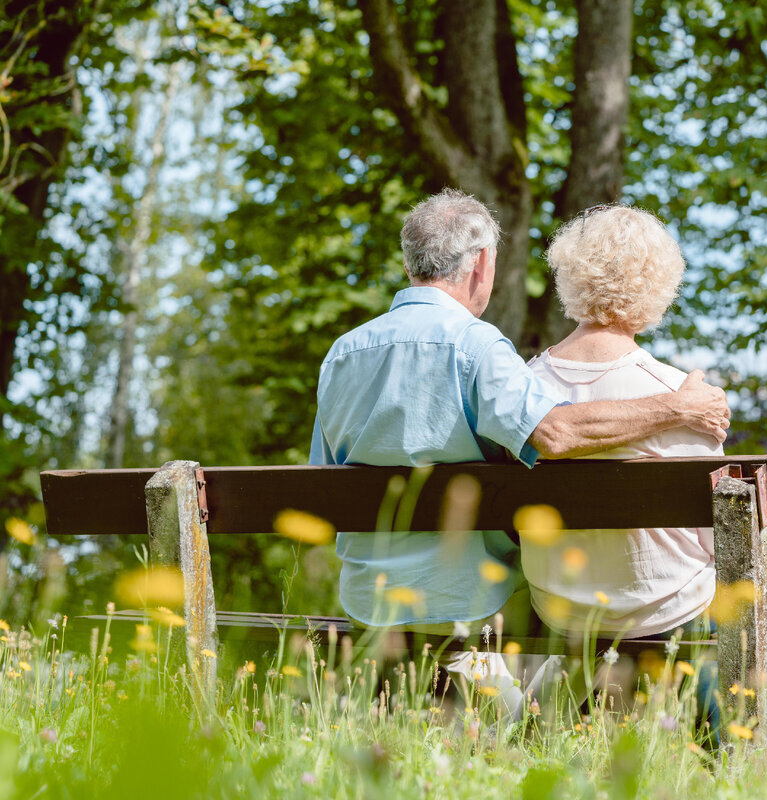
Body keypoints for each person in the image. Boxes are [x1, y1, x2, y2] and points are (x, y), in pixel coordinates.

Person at [308, 189, 729, 717]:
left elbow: (323, 479)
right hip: (459, 607)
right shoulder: (476, 347)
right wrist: (678, 408)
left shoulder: (342, 353)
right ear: (482, 263)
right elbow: (553, 434)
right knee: (524, 733)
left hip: (366, 599)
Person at [521, 204, 723, 739]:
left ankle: (535, 738)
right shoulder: (686, 396)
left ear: (570, 275)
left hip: (562, 607)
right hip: (668, 609)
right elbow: (714, 538)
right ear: (660, 286)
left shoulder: (520, 389)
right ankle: (729, 756)